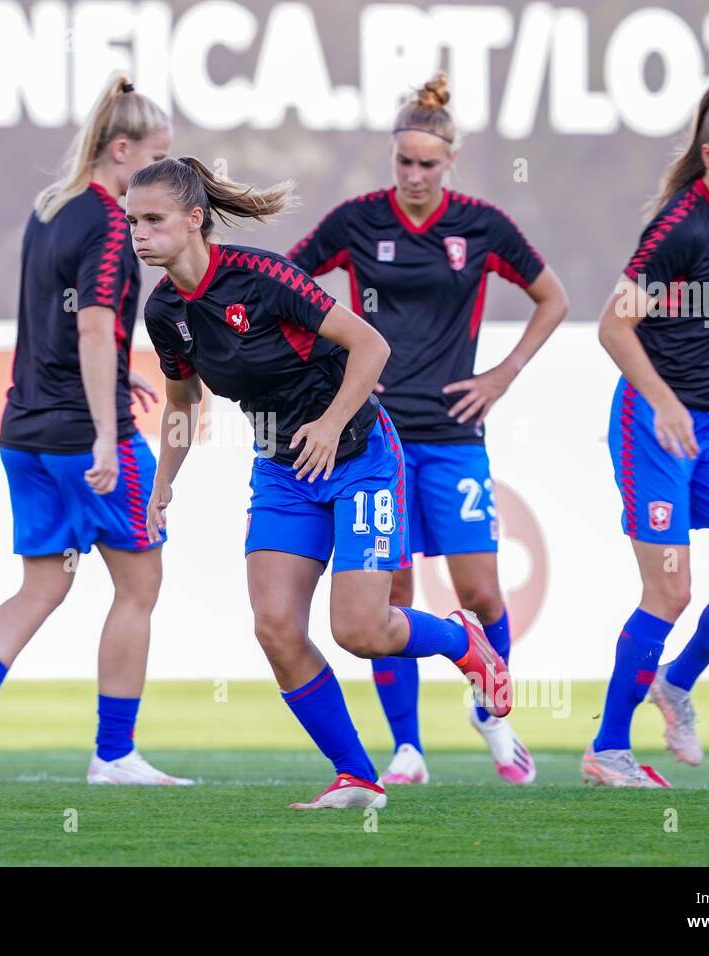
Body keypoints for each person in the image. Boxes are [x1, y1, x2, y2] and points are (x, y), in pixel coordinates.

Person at [127, 156, 513, 810]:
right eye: (133, 220)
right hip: (282, 471)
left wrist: (332, 424)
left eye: (153, 220)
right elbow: (185, 401)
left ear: (194, 220)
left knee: (361, 630)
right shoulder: (165, 310)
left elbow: (370, 346)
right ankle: (357, 776)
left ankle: (460, 639)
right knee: (276, 626)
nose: (139, 233)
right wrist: (164, 483)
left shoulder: (263, 277)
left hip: (360, 455)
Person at [289, 72, 569, 786]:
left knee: (481, 591)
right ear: (392, 159)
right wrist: (337, 359)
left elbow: (553, 297)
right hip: (377, 440)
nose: (414, 176)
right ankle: (407, 747)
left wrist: (502, 375)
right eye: (404, 162)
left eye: (428, 164)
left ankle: (494, 715)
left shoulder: (480, 225)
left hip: (452, 435)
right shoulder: (357, 221)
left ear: (450, 162)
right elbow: (285, 287)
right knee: (393, 594)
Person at [0, 74, 192, 787]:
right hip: (85, 438)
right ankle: (114, 754)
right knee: (139, 587)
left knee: (42, 586)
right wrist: (108, 431)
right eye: (158, 156)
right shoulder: (110, 221)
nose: (166, 172)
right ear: (122, 149)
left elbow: (55, 324)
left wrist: (112, 381)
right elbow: (96, 325)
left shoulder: (50, 210)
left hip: (25, 431)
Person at [584, 80, 709, 787]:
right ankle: (608, 748)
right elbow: (614, 327)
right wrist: (664, 401)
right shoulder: (677, 229)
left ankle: (677, 682)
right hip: (656, 420)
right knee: (669, 590)